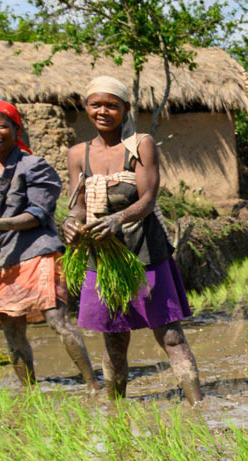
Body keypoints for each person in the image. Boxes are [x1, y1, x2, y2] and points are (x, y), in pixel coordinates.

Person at [62, 76, 203, 402]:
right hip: (104, 256)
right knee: (113, 339)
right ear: (86, 107)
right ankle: (115, 411)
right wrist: (70, 224)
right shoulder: (77, 154)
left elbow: (148, 199)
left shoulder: (141, 144)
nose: (103, 111)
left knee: (170, 336)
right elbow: (78, 206)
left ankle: (198, 406)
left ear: (125, 109)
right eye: (96, 104)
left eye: (112, 105)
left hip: (145, 251)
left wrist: (117, 219)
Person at [0, 100, 99, 391]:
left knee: (57, 320)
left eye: (1, 125)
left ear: (15, 129)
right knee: (11, 328)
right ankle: (29, 393)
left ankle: (93, 386)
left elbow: (38, 213)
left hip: (37, 251)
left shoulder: (35, 167)